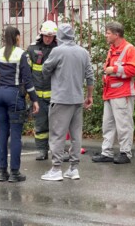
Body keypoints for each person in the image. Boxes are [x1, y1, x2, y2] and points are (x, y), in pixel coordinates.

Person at [0, 26, 39, 183]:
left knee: (2, 134)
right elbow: (27, 79)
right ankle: (14, 173)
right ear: (17, 38)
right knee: (16, 135)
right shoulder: (21, 54)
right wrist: (34, 100)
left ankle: (1, 173)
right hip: (15, 96)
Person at [40, 23, 94, 181]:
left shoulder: (58, 51)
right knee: (76, 135)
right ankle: (73, 168)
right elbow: (90, 75)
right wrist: (89, 96)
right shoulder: (83, 52)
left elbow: (45, 69)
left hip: (61, 99)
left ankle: (56, 169)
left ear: (59, 37)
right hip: (78, 99)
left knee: (57, 134)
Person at [92, 21, 135, 164]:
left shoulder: (129, 49)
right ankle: (106, 152)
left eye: (108, 33)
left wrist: (114, 70)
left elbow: (134, 70)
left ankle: (125, 153)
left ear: (116, 34)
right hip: (110, 93)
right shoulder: (112, 49)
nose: (106, 36)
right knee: (108, 124)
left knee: (124, 124)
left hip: (123, 93)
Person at [26, 20, 58, 161]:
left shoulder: (58, 49)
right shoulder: (32, 49)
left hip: (55, 95)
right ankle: (41, 150)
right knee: (40, 125)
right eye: (45, 35)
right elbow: (27, 72)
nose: (48, 38)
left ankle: (57, 151)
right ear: (41, 34)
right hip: (38, 96)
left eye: (50, 36)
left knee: (57, 126)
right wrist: (30, 94)